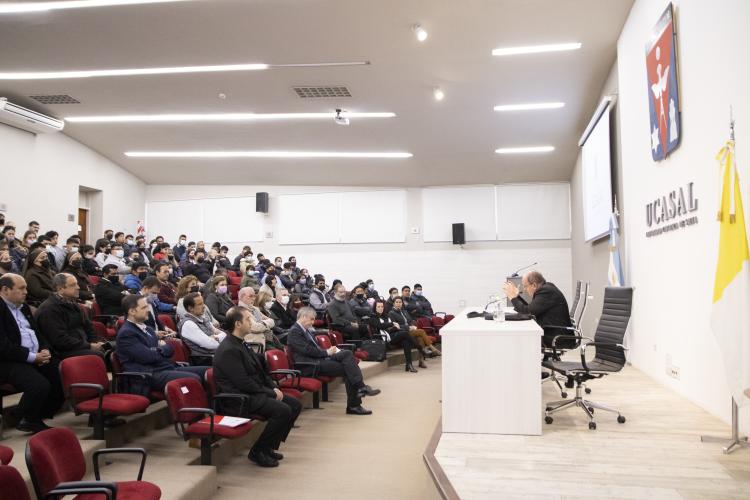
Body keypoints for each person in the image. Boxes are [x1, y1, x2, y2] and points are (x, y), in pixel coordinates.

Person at [213, 306, 302, 467]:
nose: (251, 322)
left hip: (253, 392)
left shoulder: (242, 343)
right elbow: (243, 383)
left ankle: (268, 447)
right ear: (238, 324)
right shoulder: (229, 349)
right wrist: (271, 393)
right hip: (239, 398)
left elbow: (261, 372)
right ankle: (257, 451)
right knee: (283, 410)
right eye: (248, 319)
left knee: (295, 404)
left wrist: (273, 388)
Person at [0, 274, 65, 433]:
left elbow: (38, 333)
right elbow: (3, 346)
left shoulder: (25, 307)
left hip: (34, 356)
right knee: (38, 384)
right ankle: (21, 416)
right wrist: (33, 357)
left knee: (62, 375)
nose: (26, 292)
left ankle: (35, 416)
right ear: (5, 290)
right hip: (8, 361)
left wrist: (44, 350)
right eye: (21, 288)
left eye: (26, 288)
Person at [287, 306, 380, 415]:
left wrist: (328, 351)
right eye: (311, 319)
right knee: (348, 369)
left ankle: (361, 390)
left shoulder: (306, 330)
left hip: (318, 359)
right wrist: (326, 352)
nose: (313, 322)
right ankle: (355, 402)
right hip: (310, 364)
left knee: (347, 354)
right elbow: (307, 351)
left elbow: (315, 349)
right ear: (303, 317)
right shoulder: (294, 332)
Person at [116, 294, 207, 395]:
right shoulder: (127, 333)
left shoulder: (149, 329)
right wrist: (162, 348)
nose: (148, 310)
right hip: (148, 374)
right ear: (132, 311)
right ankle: (193, 409)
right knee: (193, 379)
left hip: (165, 367)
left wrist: (160, 348)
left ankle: (215, 406)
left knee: (207, 372)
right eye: (144, 307)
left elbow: (170, 349)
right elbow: (148, 357)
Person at [34, 273, 106, 359]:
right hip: (62, 352)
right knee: (98, 356)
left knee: (110, 349)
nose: (78, 287)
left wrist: (95, 342)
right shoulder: (49, 310)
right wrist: (89, 346)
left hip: (81, 345)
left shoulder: (73, 303)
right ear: (60, 289)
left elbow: (88, 327)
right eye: (73, 285)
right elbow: (60, 340)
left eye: (77, 284)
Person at [502, 271, 572, 349]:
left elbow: (528, 312)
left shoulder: (546, 292)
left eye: (525, 286)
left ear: (534, 285)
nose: (524, 290)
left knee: (521, 339)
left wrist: (512, 297)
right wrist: (517, 296)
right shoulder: (546, 288)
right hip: (553, 333)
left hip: (557, 338)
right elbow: (529, 309)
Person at [370, 299, 418, 372]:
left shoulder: (385, 315)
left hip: (391, 335)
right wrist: (392, 324)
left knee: (406, 341)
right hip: (383, 338)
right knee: (405, 333)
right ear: (375, 308)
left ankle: (409, 364)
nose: (380, 308)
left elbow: (390, 329)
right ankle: (419, 347)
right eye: (378, 307)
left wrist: (394, 327)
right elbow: (380, 326)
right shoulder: (373, 317)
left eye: (382, 306)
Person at [178, 292, 226, 365]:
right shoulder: (188, 324)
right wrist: (214, 338)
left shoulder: (203, 319)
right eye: (200, 304)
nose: (204, 306)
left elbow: (224, 334)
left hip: (217, 355)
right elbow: (210, 344)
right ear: (190, 308)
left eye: (203, 303)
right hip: (205, 360)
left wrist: (215, 337)